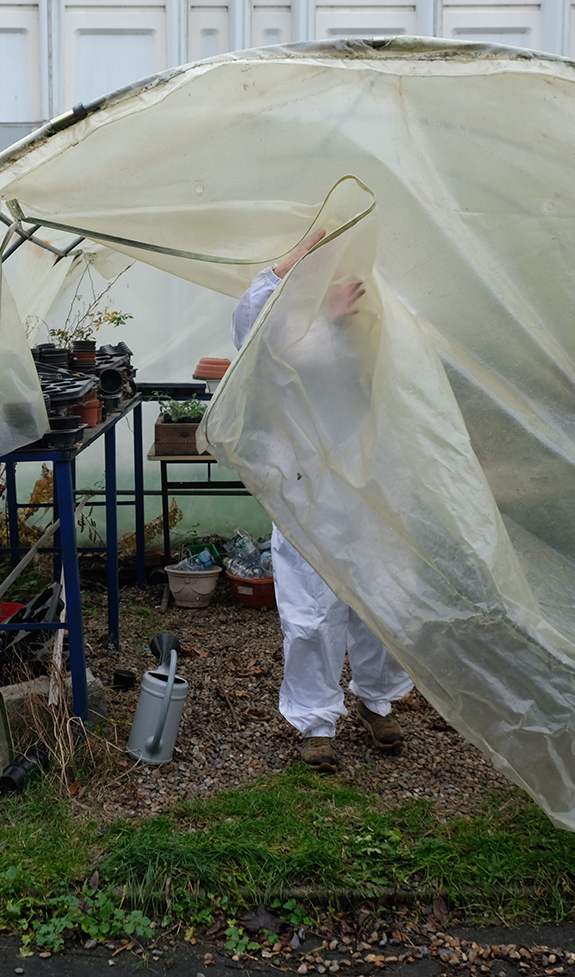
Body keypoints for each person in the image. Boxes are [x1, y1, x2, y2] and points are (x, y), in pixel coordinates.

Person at [231, 231, 414, 772]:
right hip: (306, 482)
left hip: (375, 480)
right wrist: (301, 263)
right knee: (311, 608)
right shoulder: (282, 317)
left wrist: (347, 323)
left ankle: (375, 700)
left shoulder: (381, 306)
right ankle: (315, 722)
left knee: (381, 599)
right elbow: (254, 326)